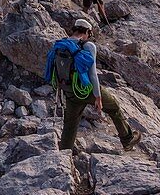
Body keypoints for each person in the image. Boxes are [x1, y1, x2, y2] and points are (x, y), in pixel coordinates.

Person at [51, 19, 141, 152]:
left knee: (70, 123)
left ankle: (65, 152)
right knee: (114, 107)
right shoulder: (88, 46)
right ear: (87, 32)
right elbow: (92, 74)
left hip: (69, 90)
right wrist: (98, 97)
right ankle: (127, 140)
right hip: (86, 90)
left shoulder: (62, 44)